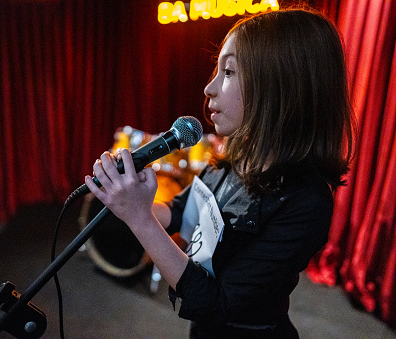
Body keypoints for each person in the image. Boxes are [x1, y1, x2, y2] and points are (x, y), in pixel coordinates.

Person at [85, 7, 355, 338]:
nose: (208, 88)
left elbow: (217, 304)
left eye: (227, 72)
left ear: (279, 86)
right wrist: (130, 203)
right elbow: (182, 210)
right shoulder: (237, 156)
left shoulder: (306, 201)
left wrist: (140, 219)